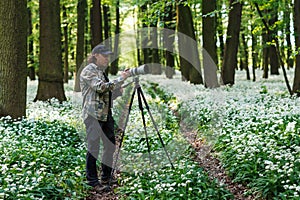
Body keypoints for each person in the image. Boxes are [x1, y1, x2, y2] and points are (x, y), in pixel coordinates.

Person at [80, 44, 130, 193]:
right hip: (93, 115)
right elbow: (100, 87)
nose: (108, 59)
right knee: (93, 148)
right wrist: (120, 78)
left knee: (110, 145)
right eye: (105, 56)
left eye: (108, 56)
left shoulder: (101, 72)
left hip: (105, 114)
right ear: (96, 55)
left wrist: (118, 90)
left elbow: (106, 93)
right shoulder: (88, 71)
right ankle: (92, 181)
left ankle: (106, 177)